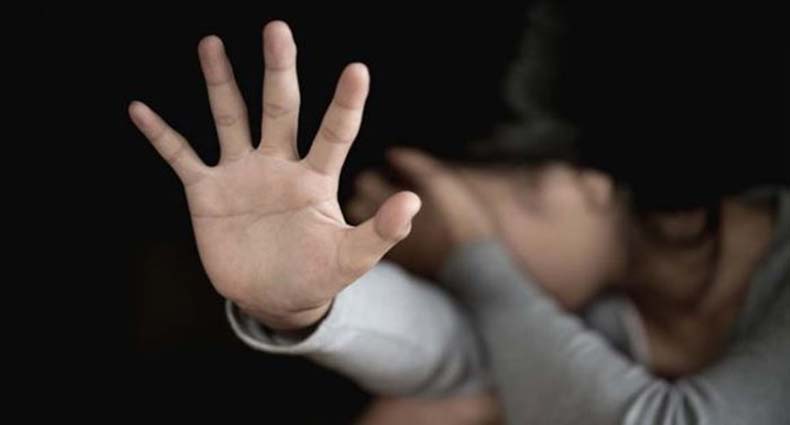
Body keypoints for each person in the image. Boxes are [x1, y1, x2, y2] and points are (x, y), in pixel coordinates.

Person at [129, 8, 789, 424]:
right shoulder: (604, 308)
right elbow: (458, 348)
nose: (432, 254)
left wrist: (473, 254)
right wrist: (302, 304)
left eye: (439, 223)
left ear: (574, 178)